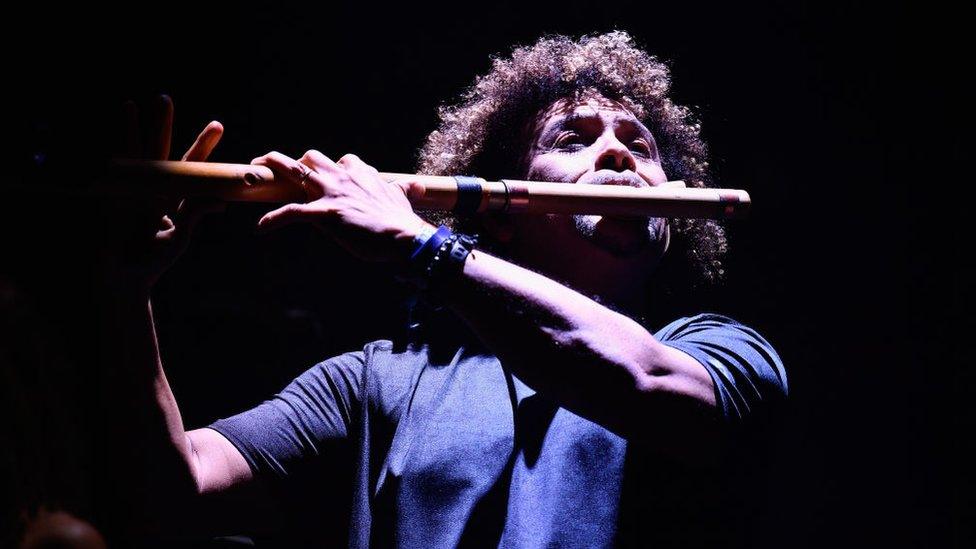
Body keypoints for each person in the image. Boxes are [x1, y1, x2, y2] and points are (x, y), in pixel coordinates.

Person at [97, 32, 787, 547]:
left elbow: (658, 388)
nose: (615, 153)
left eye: (639, 146)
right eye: (574, 137)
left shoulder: (718, 351)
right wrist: (126, 296)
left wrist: (419, 242)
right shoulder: (377, 378)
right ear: (499, 213)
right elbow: (172, 493)